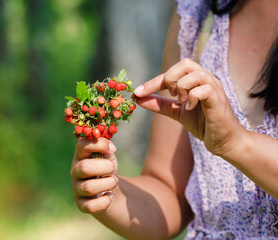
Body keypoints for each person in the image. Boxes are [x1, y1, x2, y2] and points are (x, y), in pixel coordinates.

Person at [70, 0, 278, 239]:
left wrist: (237, 144)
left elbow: (235, 143)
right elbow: (169, 190)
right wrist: (107, 191)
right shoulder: (197, 14)